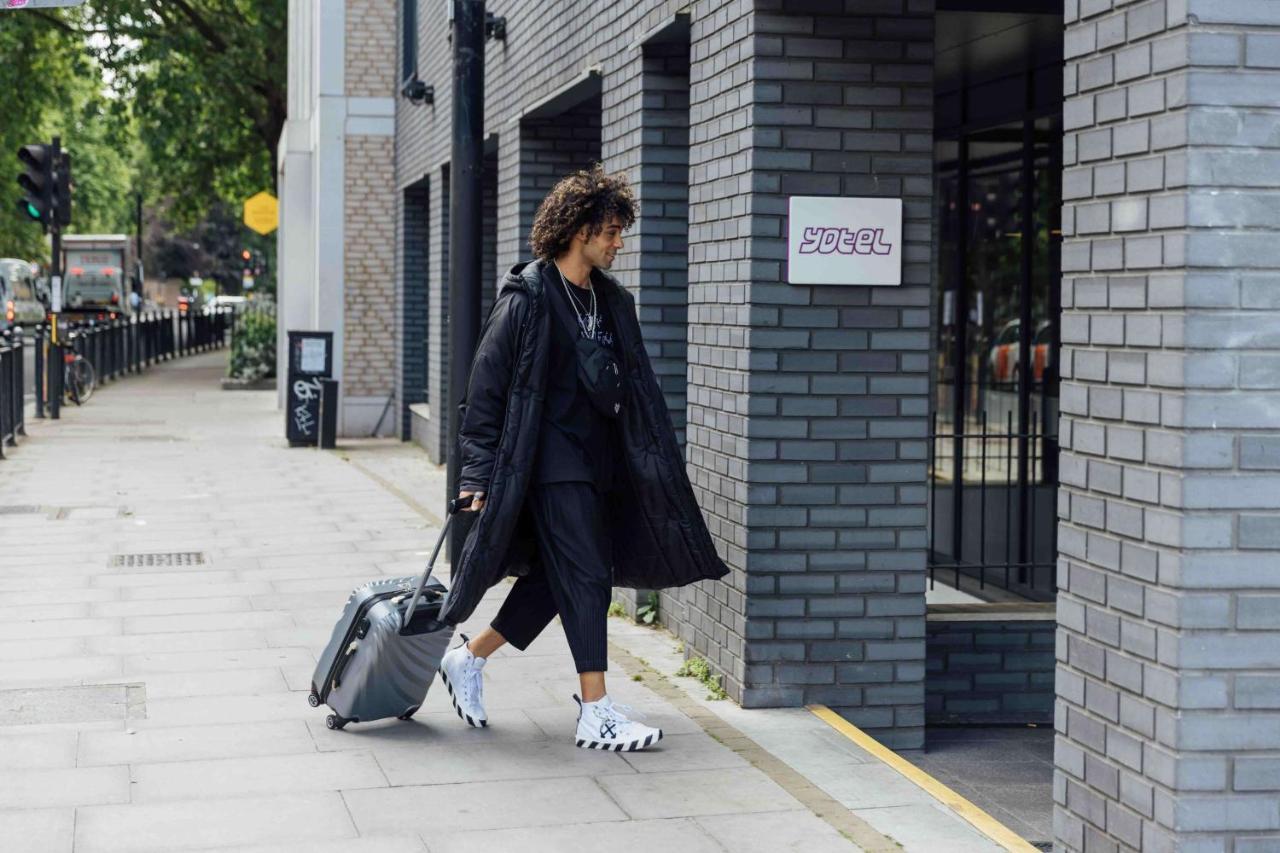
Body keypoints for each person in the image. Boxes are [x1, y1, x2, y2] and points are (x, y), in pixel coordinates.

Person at [437, 165, 729, 752]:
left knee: (555, 578)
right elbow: (484, 393)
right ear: (579, 230)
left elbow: (637, 389)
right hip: (543, 465)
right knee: (590, 573)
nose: (619, 242)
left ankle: (468, 658)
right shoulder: (528, 299)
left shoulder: (613, 302)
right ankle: (595, 707)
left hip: (600, 464)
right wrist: (474, 476)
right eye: (612, 231)